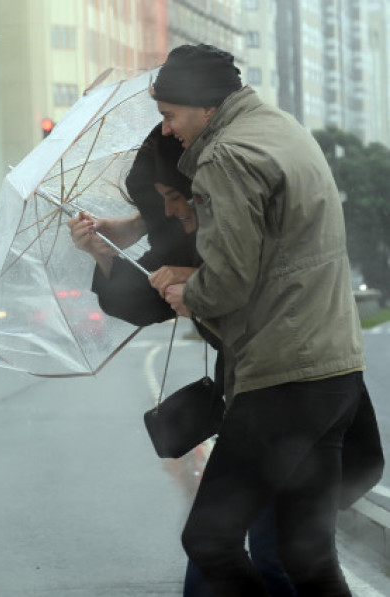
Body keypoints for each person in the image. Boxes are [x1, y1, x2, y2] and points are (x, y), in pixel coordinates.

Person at [149, 43, 369, 596]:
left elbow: (228, 280)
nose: (170, 130)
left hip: (283, 378)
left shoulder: (226, 156)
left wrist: (187, 292)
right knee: (307, 551)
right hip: (333, 372)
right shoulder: (280, 128)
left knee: (210, 541)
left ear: (203, 106)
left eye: (171, 116)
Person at [68, 124, 296, 597]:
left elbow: (275, 290)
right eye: (161, 201)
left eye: (175, 197)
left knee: (266, 549)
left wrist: (198, 283)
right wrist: (106, 253)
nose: (169, 211)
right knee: (224, 546)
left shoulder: (249, 206)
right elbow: (142, 301)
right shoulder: (182, 225)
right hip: (249, 396)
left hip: (293, 390)